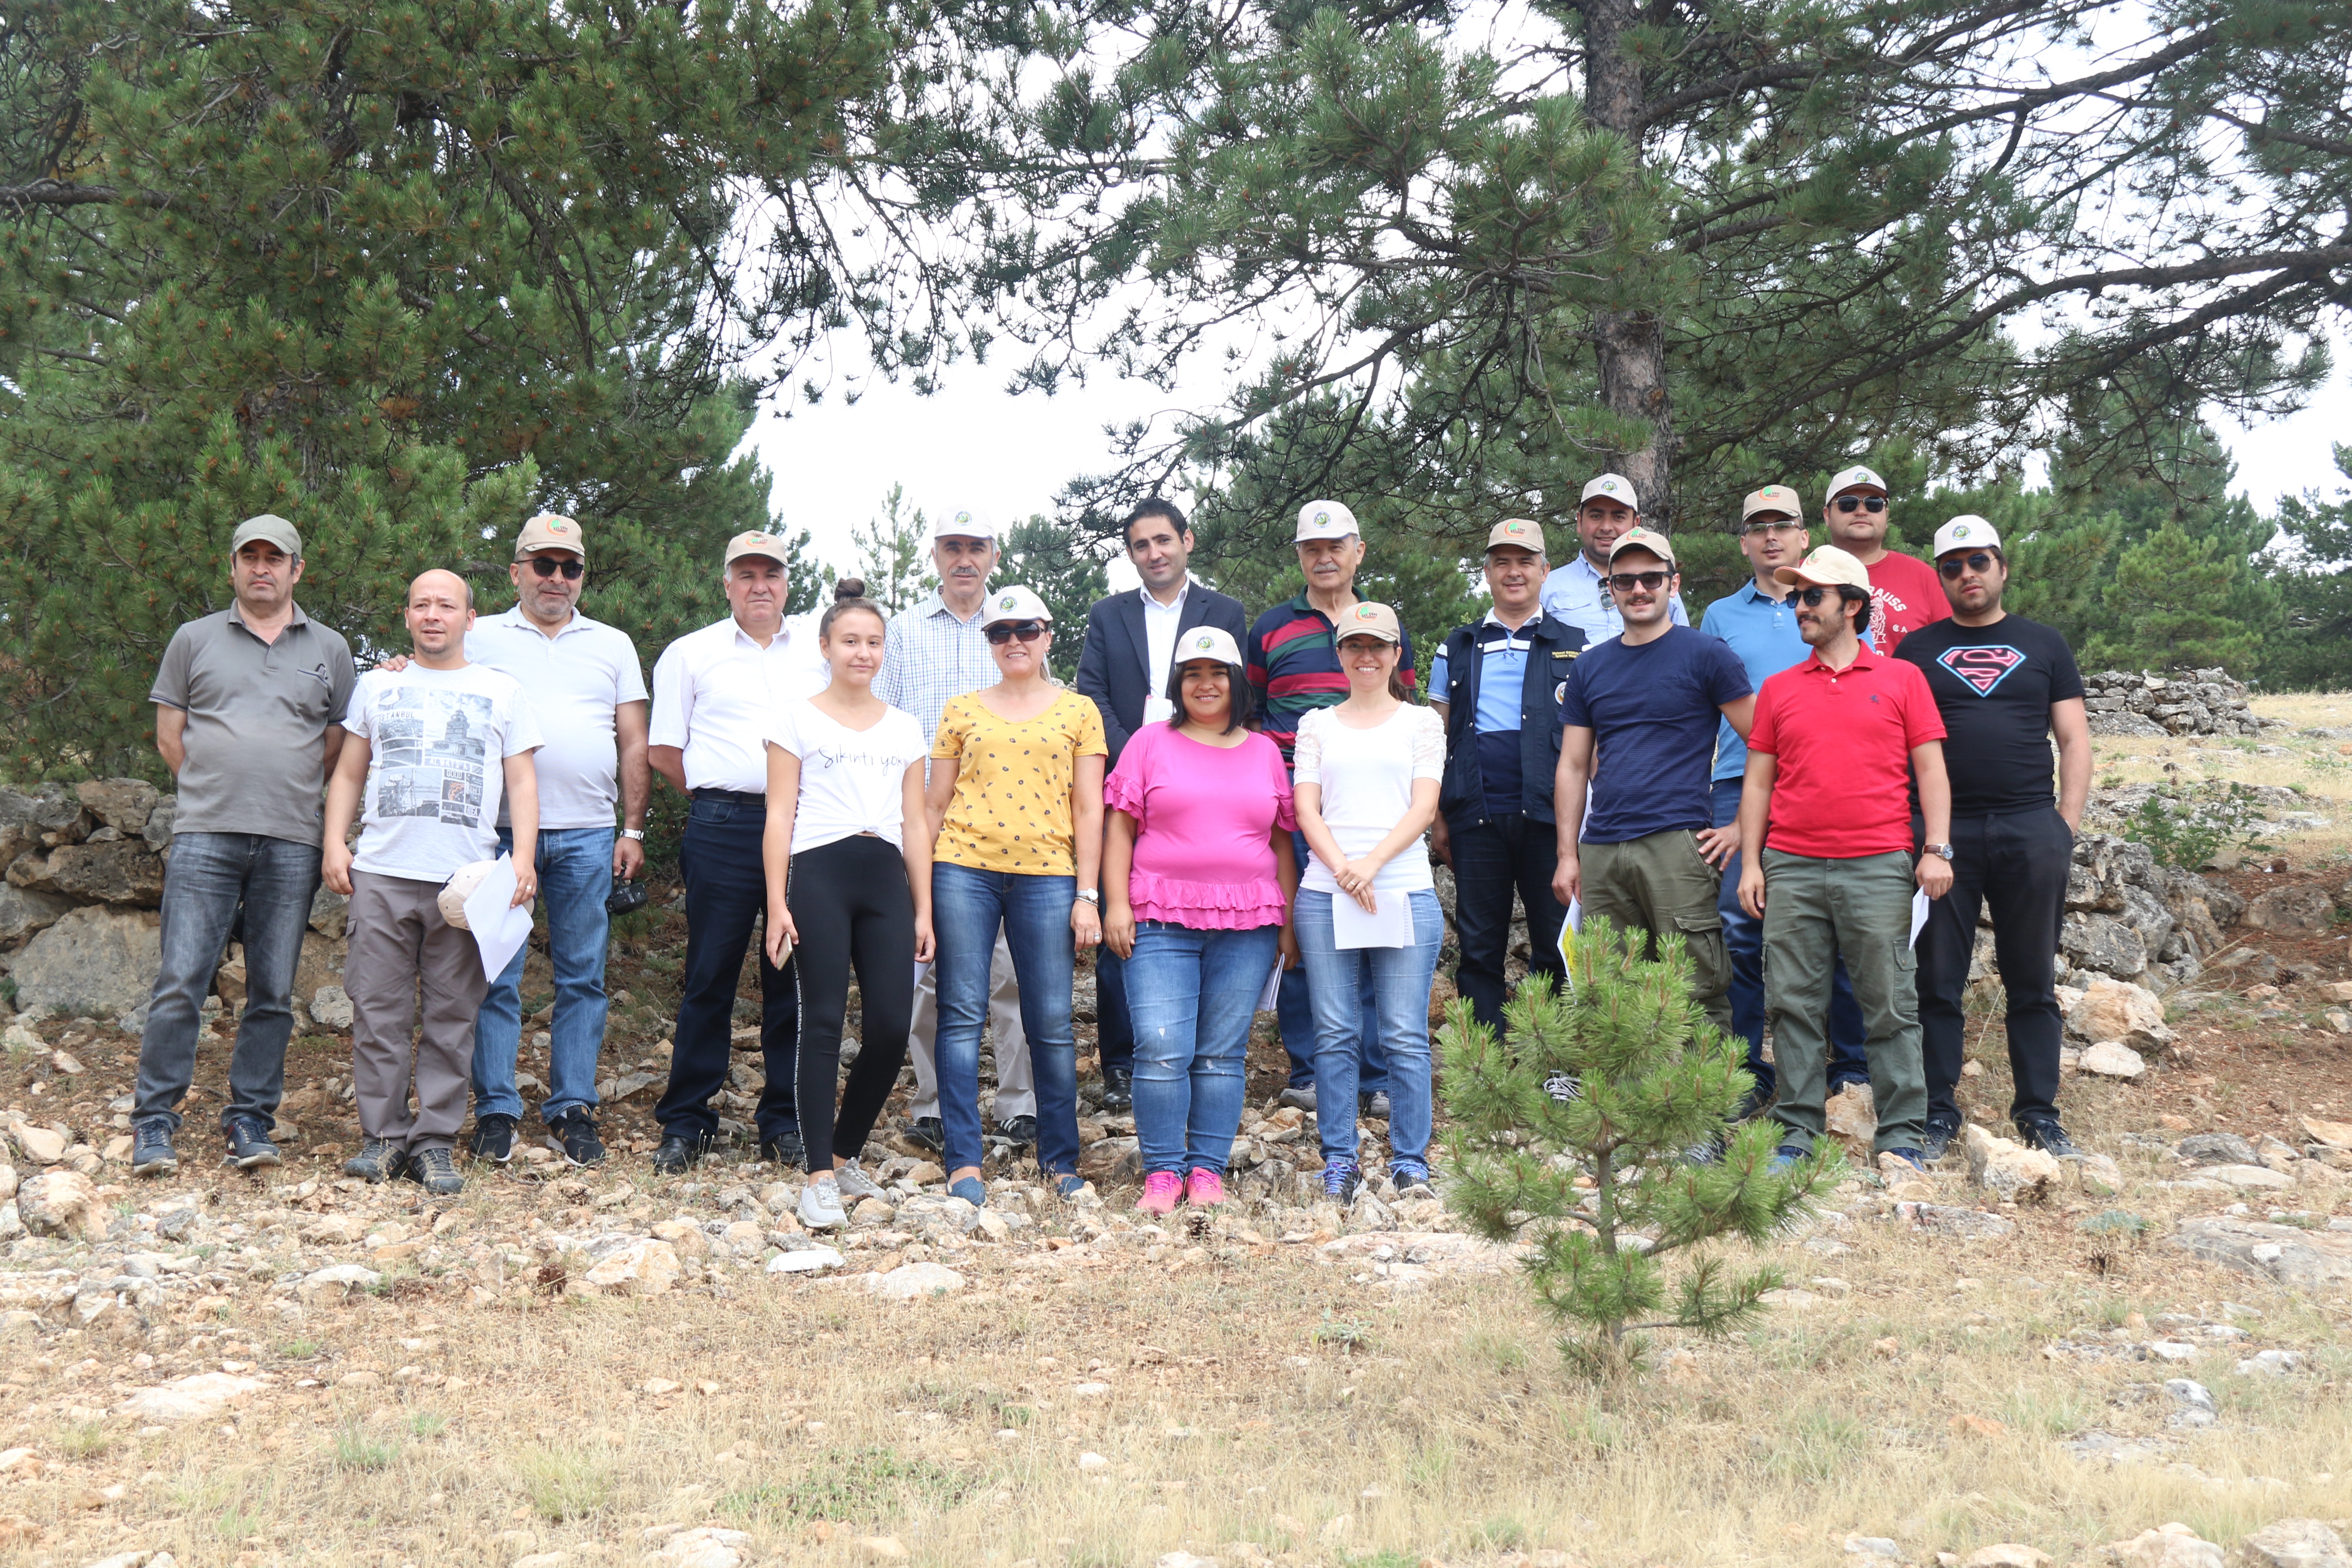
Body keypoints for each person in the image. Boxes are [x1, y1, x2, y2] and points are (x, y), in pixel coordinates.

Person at [130, 514, 358, 1177]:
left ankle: (251, 1118)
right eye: (249, 557)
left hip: (291, 840)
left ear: (296, 570)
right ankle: (154, 1123)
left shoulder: (332, 648)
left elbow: (340, 740)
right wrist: (214, 789)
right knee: (180, 982)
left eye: (275, 558)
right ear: (232, 566)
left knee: (273, 990)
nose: (262, 568)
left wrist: (284, 789)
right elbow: (169, 736)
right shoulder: (193, 639)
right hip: (205, 834)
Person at [321, 570, 542, 1197]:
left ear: (471, 619)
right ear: (407, 616)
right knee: (379, 1014)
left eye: (447, 605)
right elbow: (347, 774)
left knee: (453, 1017)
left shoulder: (502, 691)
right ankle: (384, 1139)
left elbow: (523, 782)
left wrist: (521, 856)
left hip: (465, 883)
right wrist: (335, 843)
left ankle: (436, 1143)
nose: (433, 615)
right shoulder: (376, 686)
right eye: (421, 605)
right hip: (382, 874)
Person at [1734, 546, 1954, 1177]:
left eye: (1813, 597)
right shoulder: (1778, 689)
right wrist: (1752, 864)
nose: (1799, 607)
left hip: (1879, 865)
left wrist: (1936, 848)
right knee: (1793, 1004)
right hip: (1792, 865)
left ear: (1852, 607)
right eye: (1796, 596)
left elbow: (1931, 770)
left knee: (1888, 1002)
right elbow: (1757, 784)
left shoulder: (1902, 680)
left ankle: (1904, 1132)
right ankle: (1797, 1130)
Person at [1894, 516, 2092, 1164]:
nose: (1966, 575)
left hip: (2031, 827)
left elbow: (2074, 739)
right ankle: (1936, 1112)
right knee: (1937, 978)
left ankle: (2039, 1114)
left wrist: (2064, 826)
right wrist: (1918, 835)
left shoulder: (2044, 644)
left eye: (1977, 561)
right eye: (1951, 567)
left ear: (2002, 568)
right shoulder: (1917, 651)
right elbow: (1898, 748)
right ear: (1941, 578)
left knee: (2031, 977)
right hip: (1945, 838)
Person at [459, 514, 649, 1168]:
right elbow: (431, 674)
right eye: (544, 565)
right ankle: (495, 1111)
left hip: (592, 834)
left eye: (570, 567)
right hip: (500, 833)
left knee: (583, 978)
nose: (557, 578)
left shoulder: (613, 644)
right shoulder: (477, 635)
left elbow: (633, 742)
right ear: (516, 572)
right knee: (495, 976)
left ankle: (573, 1107)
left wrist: (633, 828)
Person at [1102, 626, 1299, 1214]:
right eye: (1193, 674)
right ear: (1178, 684)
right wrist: (1115, 903)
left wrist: (1289, 925)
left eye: (1217, 673)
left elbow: (1282, 843)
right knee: (1161, 1048)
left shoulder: (1265, 752)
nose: (1206, 684)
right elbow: (1119, 828)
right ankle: (1163, 1174)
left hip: (1249, 923)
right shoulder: (1148, 743)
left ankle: (1208, 1173)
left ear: (1237, 681)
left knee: (1220, 1052)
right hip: (1159, 918)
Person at [646, 531, 826, 1174]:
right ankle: (687, 1122)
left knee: (792, 978)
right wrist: (723, 793)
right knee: (709, 976)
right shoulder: (690, 654)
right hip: (722, 824)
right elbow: (665, 750)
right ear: (726, 583)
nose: (759, 586)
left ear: (786, 582)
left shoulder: (819, 650)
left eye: (770, 574)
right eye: (745, 574)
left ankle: (786, 1120)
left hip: (806, 827)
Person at [923, 586, 1107, 1206]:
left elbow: (1090, 807)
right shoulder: (960, 710)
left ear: (1049, 634)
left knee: (1051, 1022)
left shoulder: (1079, 711)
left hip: (1049, 875)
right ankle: (964, 1161)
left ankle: (1059, 1160)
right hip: (962, 869)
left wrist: (1089, 892)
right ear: (990, 643)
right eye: (1000, 632)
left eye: (1026, 629)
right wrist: (920, 895)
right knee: (960, 1016)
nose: (1014, 642)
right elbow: (934, 804)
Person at [761, 588, 935, 1229]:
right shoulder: (796, 717)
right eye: (851, 641)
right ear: (826, 647)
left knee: (892, 1027)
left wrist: (923, 909)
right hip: (820, 874)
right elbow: (779, 815)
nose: (863, 652)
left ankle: (845, 1150)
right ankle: (817, 1177)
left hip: (886, 876)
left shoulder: (906, 725)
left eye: (873, 642)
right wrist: (777, 902)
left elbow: (916, 823)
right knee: (824, 1022)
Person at [1700, 486, 1873, 1112]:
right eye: (1757, 527)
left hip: (1822, 785)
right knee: (1740, 932)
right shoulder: (1720, 616)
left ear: (1806, 536)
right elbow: (1706, 705)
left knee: (1838, 929)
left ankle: (1848, 1067)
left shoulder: (1836, 610)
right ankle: (1746, 1072)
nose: (1771, 536)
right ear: (1744, 542)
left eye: (1784, 526)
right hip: (1736, 786)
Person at [1076, 497, 1251, 1114]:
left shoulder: (1225, 613)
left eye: (1163, 541)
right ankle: (1122, 1065)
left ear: (1187, 541)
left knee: (1201, 924)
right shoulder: (1108, 614)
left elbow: (1234, 692)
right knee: (1122, 930)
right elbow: (1091, 694)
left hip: (1203, 788)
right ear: (1131, 554)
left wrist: (1183, 765)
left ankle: (1201, 1058)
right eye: (1141, 545)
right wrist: (1140, 759)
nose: (1154, 553)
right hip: (1128, 782)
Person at [878, 506, 1039, 1152]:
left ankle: (1018, 1102)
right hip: (922, 827)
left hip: (1009, 835)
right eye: (952, 546)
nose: (964, 558)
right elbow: (876, 723)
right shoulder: (902, 631)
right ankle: (933, 1104)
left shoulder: (1016, 623)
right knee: (928, 972)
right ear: (936, 555)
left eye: (976, 546)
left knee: (1010, 973)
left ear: (994, 555)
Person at [1553, 529, 1752, 1036]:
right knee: (1608, 994)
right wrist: (1568, 855)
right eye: (1625, 580)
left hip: (1677, 844)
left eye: (1651, 578)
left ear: (1674, 584)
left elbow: (1768, 744)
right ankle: (1622, 1112)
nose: (1638, 589)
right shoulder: (1591, 666)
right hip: (1601, 849)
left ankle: (1705, 1113)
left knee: (1695, 989)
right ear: (1611, 589)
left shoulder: (1708, 655)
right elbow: (1574, 766)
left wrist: (1741, 827)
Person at [1245, 500, 1404, 1116]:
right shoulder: (1270, 629)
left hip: (1374, 808)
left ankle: (1377, 1076)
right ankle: (1310, 1070)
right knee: (1306, 937)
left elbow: (1406, 708)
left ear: (1358, 550)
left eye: (1336, 545)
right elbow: (1253, 716)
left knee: (1375, 933)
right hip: (1296, 807)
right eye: (1312, 548)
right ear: (1300, 557)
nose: (1325, 556)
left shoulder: (1385, 623)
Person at [1290, 601, 1446, 1204]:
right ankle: (1340, 1159)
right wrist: (1344, 870)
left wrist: (1372, 867)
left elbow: (1423, 807)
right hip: (1327, 895)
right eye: (1355, 645)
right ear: (1339, 653)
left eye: (1378, 646)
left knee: (1404, 1032)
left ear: (1396, 654)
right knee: (1334, 1032)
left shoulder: (1420, 724)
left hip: (1403, 888)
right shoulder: (1317, 724)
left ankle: (1410, 1160)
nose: (1366, 656)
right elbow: (1307, 808)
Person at [1429, 519, 1585, 1036]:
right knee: (1479, 948)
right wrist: (1438, 816)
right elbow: (1436, 738)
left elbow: (1592, 743)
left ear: (1545, 571)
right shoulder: (1457, 646)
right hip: (1476, 817)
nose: (1513, 572)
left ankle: (1554, 1062)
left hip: (1550, 818)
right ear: (1488, 572)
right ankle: (1487, 1069)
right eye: (1502, 562)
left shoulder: (1578, 646)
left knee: (1556, 944)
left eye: (1525, 562)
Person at [1538, 473, 1690, 644]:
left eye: (1618, 517)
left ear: (1635, 524)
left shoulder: (1659, 585)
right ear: (1579, 522)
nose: (1606, 527)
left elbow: (1683, 648)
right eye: (1596, 516)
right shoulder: (1547, 587)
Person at [1821, 464, 1948, 656]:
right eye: (1848, 504)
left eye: (1874, 504)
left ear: (1886, 515)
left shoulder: (1923, 577)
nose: (1862, 511)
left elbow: (1948, 651)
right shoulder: (1803, 576)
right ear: (1827, 515)